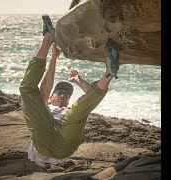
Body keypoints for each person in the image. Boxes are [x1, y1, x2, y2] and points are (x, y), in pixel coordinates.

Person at [19, 14, 120, 165]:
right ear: (51, 97)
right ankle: (47, 38)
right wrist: (53, 57)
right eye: (58, 93)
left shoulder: (69, 111)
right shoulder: (45, 108)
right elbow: (44, 91)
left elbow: (89, 97)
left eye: (66, 95)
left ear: (67, 101)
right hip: (44, 139)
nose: (61, 95)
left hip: (66, 138)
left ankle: (109, 73)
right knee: (26, 90)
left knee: (80, 108)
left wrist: (78, 79)